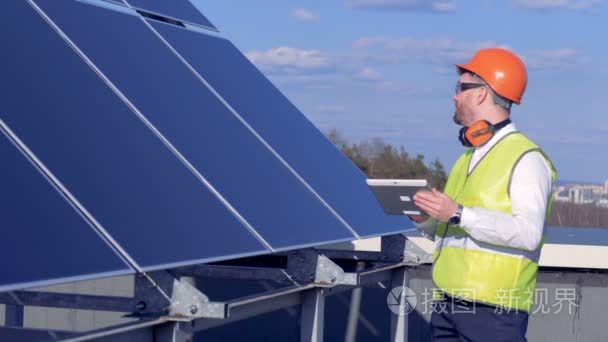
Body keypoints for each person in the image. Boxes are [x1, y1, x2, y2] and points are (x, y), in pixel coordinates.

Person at [411, 48, 556, 341]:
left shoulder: (526, 158)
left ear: (480, 94)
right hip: (449, 303)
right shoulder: (467, 158)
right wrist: (426, 218)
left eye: (460, 88)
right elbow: (454, 228)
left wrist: (457, 213)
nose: (454, 96)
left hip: (494, 310)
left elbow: (528, 233)